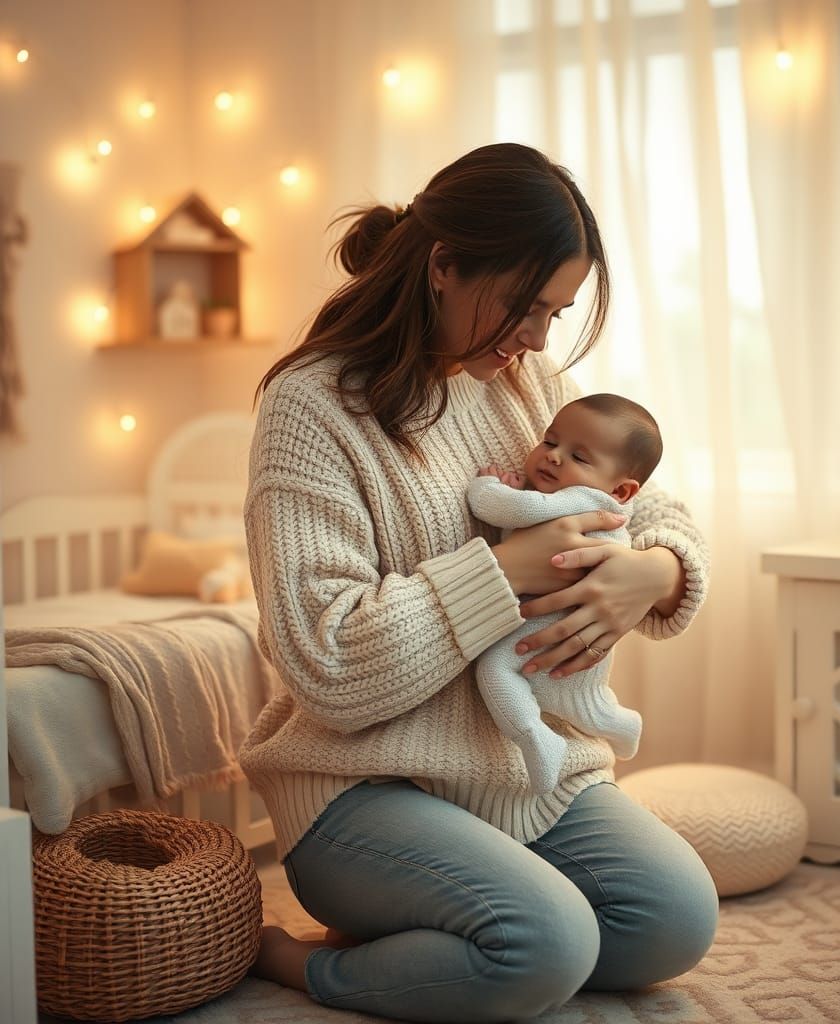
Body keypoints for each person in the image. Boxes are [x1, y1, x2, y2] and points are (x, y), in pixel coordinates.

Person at [242, 142, 717, 1022]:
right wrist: (502, 572)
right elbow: (329, 663)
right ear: (444, 266)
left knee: (673, 924)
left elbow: (644, 500)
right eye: (525, 307)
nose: (539, 338)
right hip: (360, 788)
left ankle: (455, 919)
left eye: (557, 312)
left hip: (514, 774)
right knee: (550, 945)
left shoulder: (524, 377)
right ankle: (306, 968)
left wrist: (655, 571)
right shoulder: (311, 406)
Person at [469, 393, 663, 793]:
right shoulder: (578, 498)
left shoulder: (583, 500)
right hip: (575, 634)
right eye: (550, 441)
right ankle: (619, 722)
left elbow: (504, 510)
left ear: (622, 491)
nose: (554, 457)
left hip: (553, 627)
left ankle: (540, 740)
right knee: (580, 697)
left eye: (580, 457)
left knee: (497, 670)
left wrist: (488, 486)